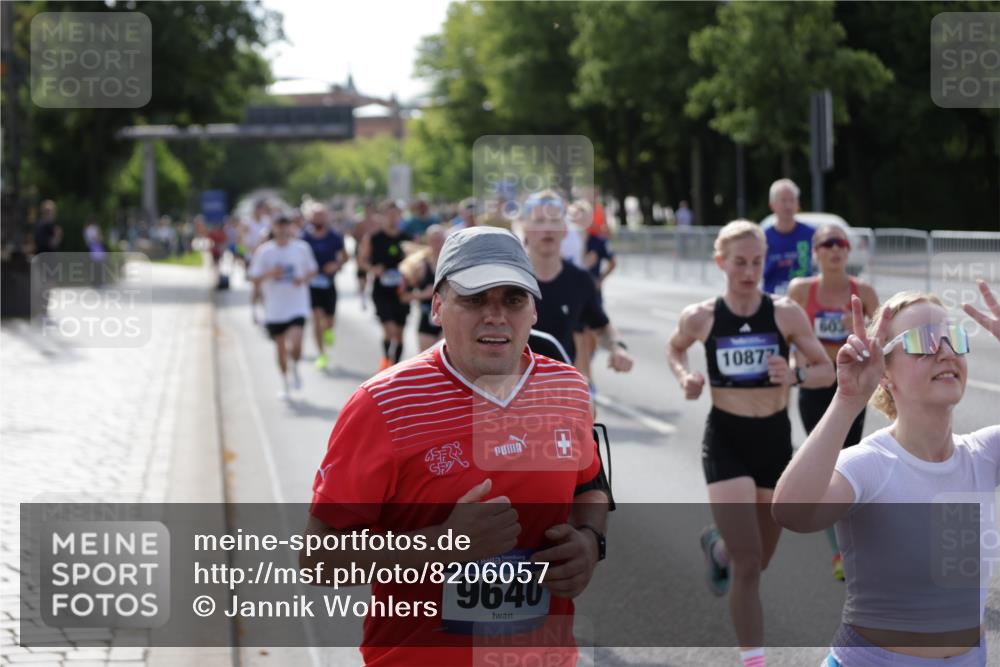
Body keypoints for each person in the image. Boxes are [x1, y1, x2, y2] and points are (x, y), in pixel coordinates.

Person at [301, 225, 610, 666]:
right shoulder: (383, 404)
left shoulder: (567, 389)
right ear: (438, 307)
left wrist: (589, 541)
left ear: (534, 312)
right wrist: (442, 545)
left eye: (513, 299)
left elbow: (589, 488)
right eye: (475, 298)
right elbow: (319, 560)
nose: (496, 315)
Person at [773, 280, 1000, 667]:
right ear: (885, 373)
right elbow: (793, 513)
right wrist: (847, 401)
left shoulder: (984, 454)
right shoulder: (870, 463)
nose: (944, 351)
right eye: (924, 341)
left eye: (952, 338)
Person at [665, 219, 834, 667]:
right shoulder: (701, 316)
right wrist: (686, 377)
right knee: (748, 561)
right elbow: (676, 347)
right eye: (739, 262)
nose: (749, 270)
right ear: (721, 262)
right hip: (726, 438)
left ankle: (716, 546)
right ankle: (753, 660)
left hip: (774, 441)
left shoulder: (784, 314)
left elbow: (826, 369)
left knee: (758, 561)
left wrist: (795, 374)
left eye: (757, 262)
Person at [786, 224, 879, 581]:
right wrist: (794, 371)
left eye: (842, 243)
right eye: (828, 243)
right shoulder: (801, 290)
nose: (836, 249)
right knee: (826, 462)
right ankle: (841, 551)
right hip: (815, 385)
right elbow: (787, 333)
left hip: (852, 385)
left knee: (849, 460)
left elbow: (884, 334)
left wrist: (862, 330)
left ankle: (852, 541)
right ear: (816, 251)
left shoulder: (864, 291)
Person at [522, 191, 633, 377]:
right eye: (540, 221)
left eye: (555, 221)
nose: (548, 229)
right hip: (514, 390)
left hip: (562, 388)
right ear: (525, 229)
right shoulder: (510, 280)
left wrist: (617, 347)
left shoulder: (580, 280)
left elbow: (601, 325)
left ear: (565, 229)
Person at [248, 216, 318, 400]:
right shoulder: (265, 252)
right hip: (275, 308)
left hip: (297, 305)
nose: (282, 229)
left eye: (285, 225)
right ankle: (284, 383)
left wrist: (303, 278)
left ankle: (294, 366)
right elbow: (253, 277)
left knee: (296, 345)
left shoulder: (301, 248)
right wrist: (271, 273)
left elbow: (312, 270)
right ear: (273, 228)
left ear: (290, 227)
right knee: (280, 349)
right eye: (278, 226)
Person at [358, 201, 411, 370]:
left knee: (400, 334)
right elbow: (362, 261)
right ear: (382, 216)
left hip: (402, 291)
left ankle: (395, 367)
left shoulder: (407, 239)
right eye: (389, 214)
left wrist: (408, 271)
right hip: (381, 291)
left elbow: (415, 263)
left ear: (400, 216)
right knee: (390, 331)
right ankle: (387, 361)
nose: (392, 218)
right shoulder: (373, 238)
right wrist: (373, 269)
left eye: (395, 214)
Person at [303, 203, 348, 371]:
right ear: (310, 217)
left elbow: (345, 257)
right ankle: (321, 354)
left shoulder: (334, 237)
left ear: (326, 217)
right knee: (316, 318)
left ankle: (328, 330)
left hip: (329, 284)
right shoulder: (304, 237)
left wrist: (336, 265)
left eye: (321, 215)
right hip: (312, 285)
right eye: (315, 215)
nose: (319, 218)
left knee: (329, 321)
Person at [762, 179, 814, 296]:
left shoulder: (811, 234)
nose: (788, 205)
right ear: (772, 205)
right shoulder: (762, 237)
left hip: (804, 299)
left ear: (798, 204)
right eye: (783, 200)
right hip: (772, 299)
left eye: (792, 200)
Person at [399, 225, 446, 351]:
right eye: (434, 240)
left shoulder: (454, 265)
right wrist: (423, 294)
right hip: (426, 318)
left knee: (448, 361)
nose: (438, 244)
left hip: (449, 320)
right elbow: (403, 296)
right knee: (429, 361)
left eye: (441, 240)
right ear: (428, 242)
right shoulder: (418, 266)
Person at [352, 200, 379, 311]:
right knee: (362, 274)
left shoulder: (378, 221)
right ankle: (363, 296)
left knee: (373, 272)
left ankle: (370, 293)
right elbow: (356, 235)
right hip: (362, 250)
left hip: (374, 251)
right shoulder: (359, 221)